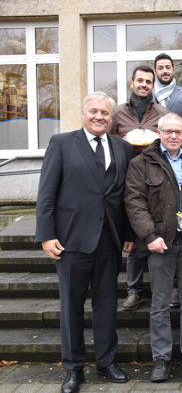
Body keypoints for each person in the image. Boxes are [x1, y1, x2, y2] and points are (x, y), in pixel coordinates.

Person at [35, 91, 133, 393]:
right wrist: (46, 235)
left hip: (109, 240)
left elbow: (125, 198)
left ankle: (106, 362)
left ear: (112, 117)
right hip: (71, 240)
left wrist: (128, 234)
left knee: (107, 305)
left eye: (105, 113)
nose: (99, 117)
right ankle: (74, 369)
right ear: (83, 113)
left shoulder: (123, 148)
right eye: (94, 111)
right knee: (72, 307)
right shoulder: (62, 144)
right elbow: (46, 193)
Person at [125, 113, 182, 382]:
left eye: (178, 132)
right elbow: (134, 202)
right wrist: (149, 235)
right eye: (168, 132)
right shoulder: (141, 163)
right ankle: (162, 358)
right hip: (160, 242)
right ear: (159, 132)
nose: (174, 136)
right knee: (160, 303)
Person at [112, 66, 170, 312]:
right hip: (126, 178)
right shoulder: (117, 114)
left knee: (160, 230)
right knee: (134, 237)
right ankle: (134, 290)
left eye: (149, 81)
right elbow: (110, 143)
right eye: (140, 80)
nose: (144, 85)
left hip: (155, 179)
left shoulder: (162, 113)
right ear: (131, 82)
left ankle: (167, 287)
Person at [153, 52, 182, 127]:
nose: (165, 71)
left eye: (168, 67)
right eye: (160, 68)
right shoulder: (149, 97)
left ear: (173, 70)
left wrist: (178, 122)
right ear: (155, 72)